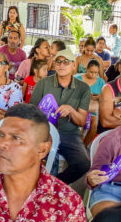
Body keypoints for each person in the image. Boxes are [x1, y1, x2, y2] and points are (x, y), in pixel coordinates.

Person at [30, 49, 92, 184]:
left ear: (73, 65)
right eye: (58, 62)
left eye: (66, 62)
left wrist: (71, 111)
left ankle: (54, 185)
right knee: (27, 155)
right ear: (54, 65)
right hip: (43, 132)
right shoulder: (43, 83)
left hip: (69, 134)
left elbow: (81, 121)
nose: (61, 65)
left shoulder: (83, 88)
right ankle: (31, 186)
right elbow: (31, 113)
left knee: (83, 163)